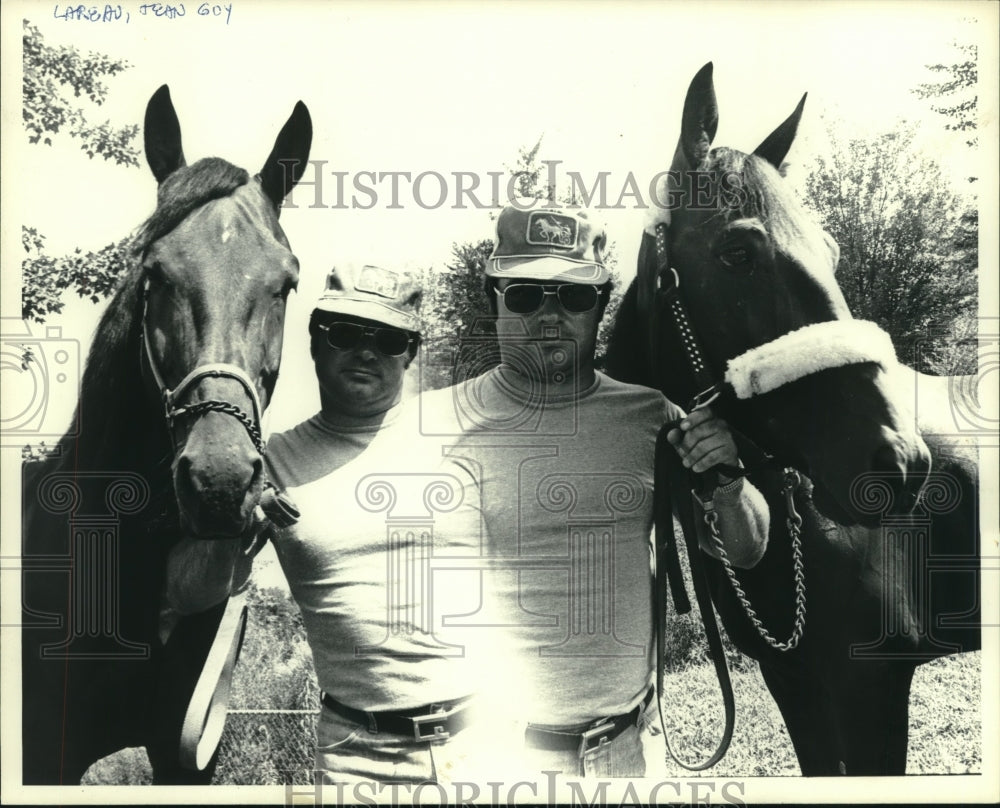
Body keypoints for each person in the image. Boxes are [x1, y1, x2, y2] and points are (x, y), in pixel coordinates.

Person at [416, 204, 770, 780]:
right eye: (526, 295)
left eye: (574, 297)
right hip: (491, 757)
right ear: (494, 299)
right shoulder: (432, 426)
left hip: (629, 751)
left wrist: (728, 476)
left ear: (600, 307)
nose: (550, 315)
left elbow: (745, 551)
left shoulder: (652, 417)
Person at [263, 264, 485, 786]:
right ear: (315, 342)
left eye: (388, 339)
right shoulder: (269, 462)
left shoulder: (467, 427)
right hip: (353, 756)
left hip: (484, 740)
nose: (367, 351)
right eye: (345, 333)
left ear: (410, 355)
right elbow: (201, 588)